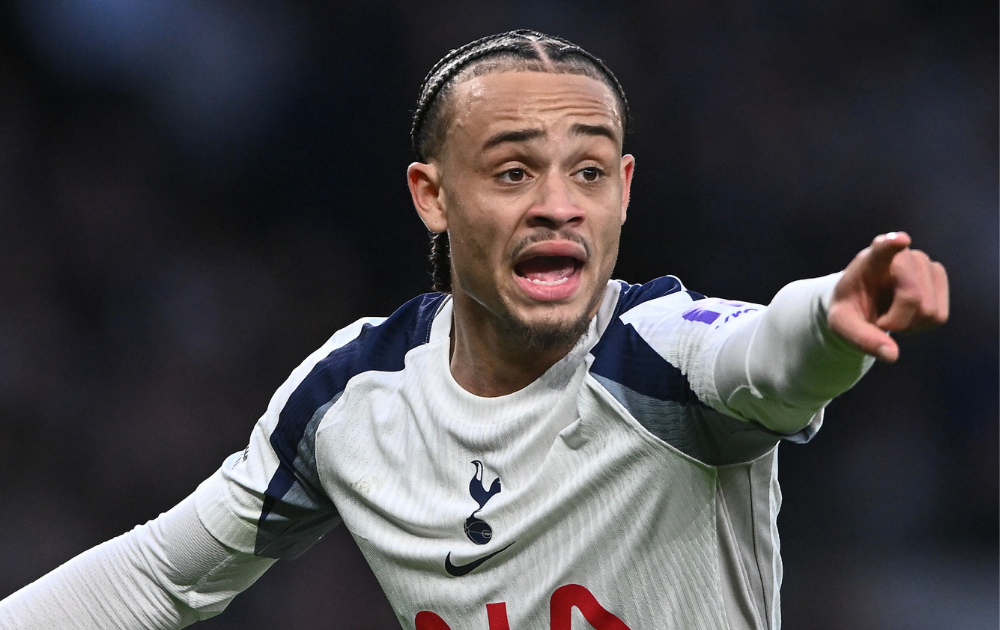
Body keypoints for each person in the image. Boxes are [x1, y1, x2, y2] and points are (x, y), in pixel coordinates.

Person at [0, 30, 948, 630]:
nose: (556, 207)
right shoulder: (354, 393)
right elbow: (162, 578)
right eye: (510, 173)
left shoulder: (657, 356)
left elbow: (764, 359)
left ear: (623, 192)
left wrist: (832, 315)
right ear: (432, 197)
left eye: (587, 174)